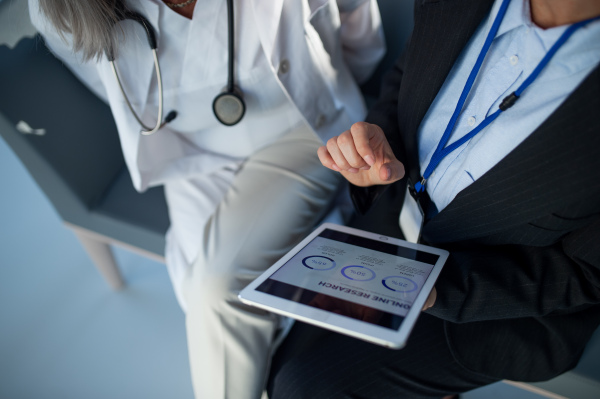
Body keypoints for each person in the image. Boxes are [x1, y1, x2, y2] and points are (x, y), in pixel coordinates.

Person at [28, 0, 385, 397]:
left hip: (298, 132)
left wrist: (345, 95)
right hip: (192, 155)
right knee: (206, 299)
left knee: (218, 290)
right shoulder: (58, 8)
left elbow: (359, 30)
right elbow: (104, 80)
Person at [267, 0, 600, 397]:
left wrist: (440, 288)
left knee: (304, 386)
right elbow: (408, 76)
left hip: (496, 304)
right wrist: (375, 146)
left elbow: (586, 273)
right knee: (280, 358)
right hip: (392, 229)